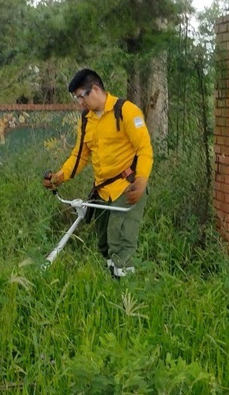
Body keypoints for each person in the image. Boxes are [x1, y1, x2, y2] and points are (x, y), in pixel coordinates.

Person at [42, 68, 153, 278]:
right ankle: (113, 280)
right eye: (76, 99)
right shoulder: (87, 120)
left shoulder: (127, 111)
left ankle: (126, 293)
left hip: (126, 188)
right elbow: (79, 156)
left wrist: (141, 181)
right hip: (102, 192)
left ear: (95, 89)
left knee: (119, 243)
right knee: (103, 244)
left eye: (80, 97)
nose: (80, 103)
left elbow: (144, 149)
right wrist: (59, 177)